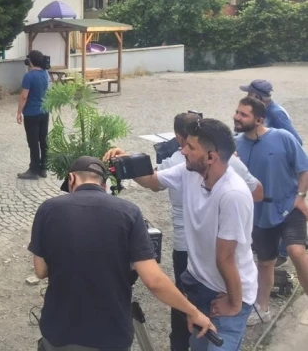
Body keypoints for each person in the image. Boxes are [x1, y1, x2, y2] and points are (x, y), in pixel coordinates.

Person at [108, 112, 264, 351]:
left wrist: (234, 303)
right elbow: (153, 181)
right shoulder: (189, 172)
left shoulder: (233, 194)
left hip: (227, 293)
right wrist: (125, 161)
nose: (182, 151)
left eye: (190, 147)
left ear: (211, 157)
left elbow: (226, 257)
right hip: (199, 284)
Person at [29, 156, 215, 351]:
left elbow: (40, 271)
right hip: (110, 335)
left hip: (58, 331)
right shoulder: (129, 213)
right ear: (104, 185)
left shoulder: (47, 209)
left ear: (71, 178)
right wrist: (192, 312)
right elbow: (154, 281)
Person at [233, 97, 308, 326]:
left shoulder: (282, 137)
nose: (237, 117)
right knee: (265, 263)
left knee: (296, 251)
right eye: (237, 112)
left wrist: (300, 196)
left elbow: (304, 169)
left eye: (243, 114)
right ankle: (262, 309)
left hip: (289, 206)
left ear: (258, 120)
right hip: (259, 216)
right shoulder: (235, 145)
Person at [16, 50, 49, 180]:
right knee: (43, 140)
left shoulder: (28, 76)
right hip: (44, 111)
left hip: (31, 113)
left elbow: (24, 96)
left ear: (30, 61)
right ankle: (43, 168)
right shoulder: (45, 73)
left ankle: (33, 170)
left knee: (33, 142)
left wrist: (19, 112)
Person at [239, 79, 302, 145]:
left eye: (249, 94)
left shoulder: (276, 114)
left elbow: (296, 141)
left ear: (257, 98)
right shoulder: (262, 110)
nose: (246, 97)